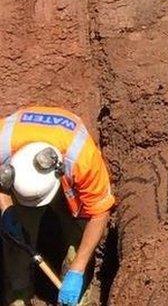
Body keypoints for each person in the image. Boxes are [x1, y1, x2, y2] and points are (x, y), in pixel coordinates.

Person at [0, 106, 115, 306]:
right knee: (16, 243)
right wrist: (7, 211)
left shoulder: (83, 159)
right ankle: (18, 294)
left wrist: (77, 270)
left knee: (78, 242)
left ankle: (75, 290)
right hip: (21, 189)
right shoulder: (3, 143)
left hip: (71, 185)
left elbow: (100, 212)